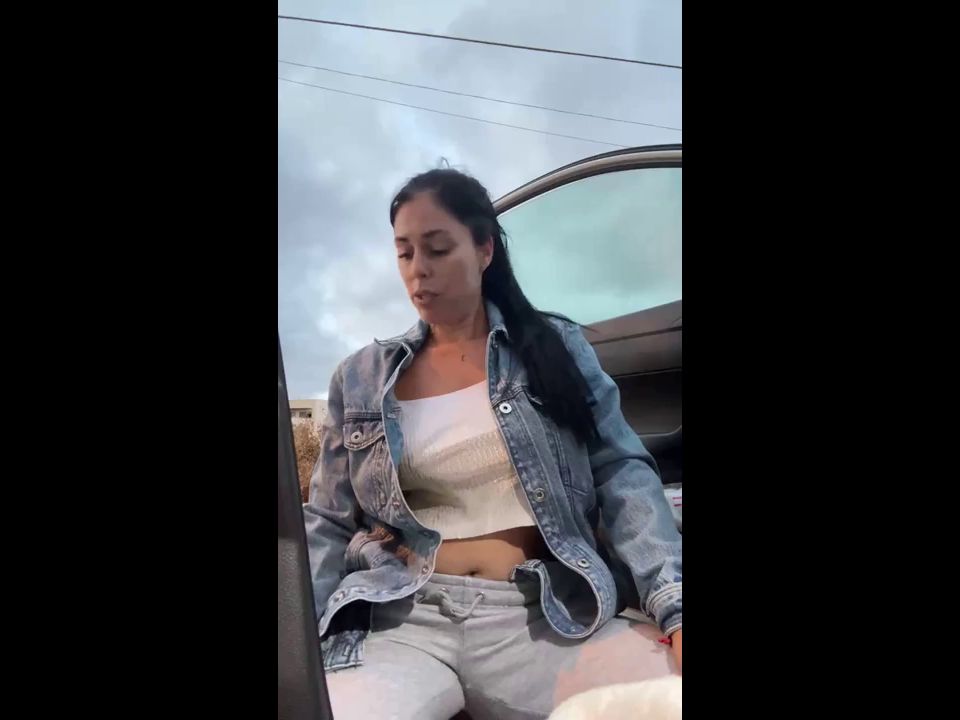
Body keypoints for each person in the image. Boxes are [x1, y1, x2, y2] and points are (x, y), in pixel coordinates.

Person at [303, 168, 682, 720]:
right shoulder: (361, 376)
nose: (418, 269)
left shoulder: (554, 347)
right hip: (400, 619)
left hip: (543, 615)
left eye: (438, 248)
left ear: (484, 250)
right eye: (404, 253)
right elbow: (328, 521)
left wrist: (673, 605)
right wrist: (294, 635)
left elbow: (621, 473)